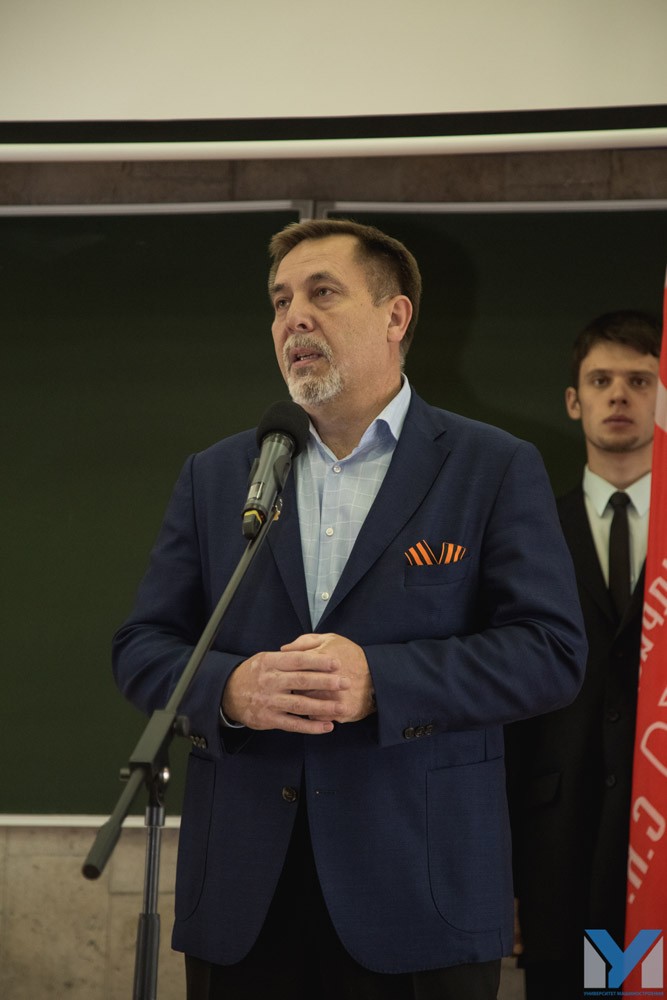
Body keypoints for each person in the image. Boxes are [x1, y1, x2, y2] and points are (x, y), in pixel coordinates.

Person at [112, 218, 586, 1000]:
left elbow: (549, 652)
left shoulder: (491, 466)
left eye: (322, 293)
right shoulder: (217, 474)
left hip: (419, 892)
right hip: (243, 898)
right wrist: (230, 690)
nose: (293, 318)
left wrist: (381, 681)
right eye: (280, 301)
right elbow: (142, 645)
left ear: (395, 317)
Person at [506, 310, 662, 999]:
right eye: (600, 381)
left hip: (659, 850)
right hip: (555, 858)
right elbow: (505, 712)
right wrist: (503, 876)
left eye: (639, 380)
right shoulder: (525, 535)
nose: (618, 395)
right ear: (574, 401)